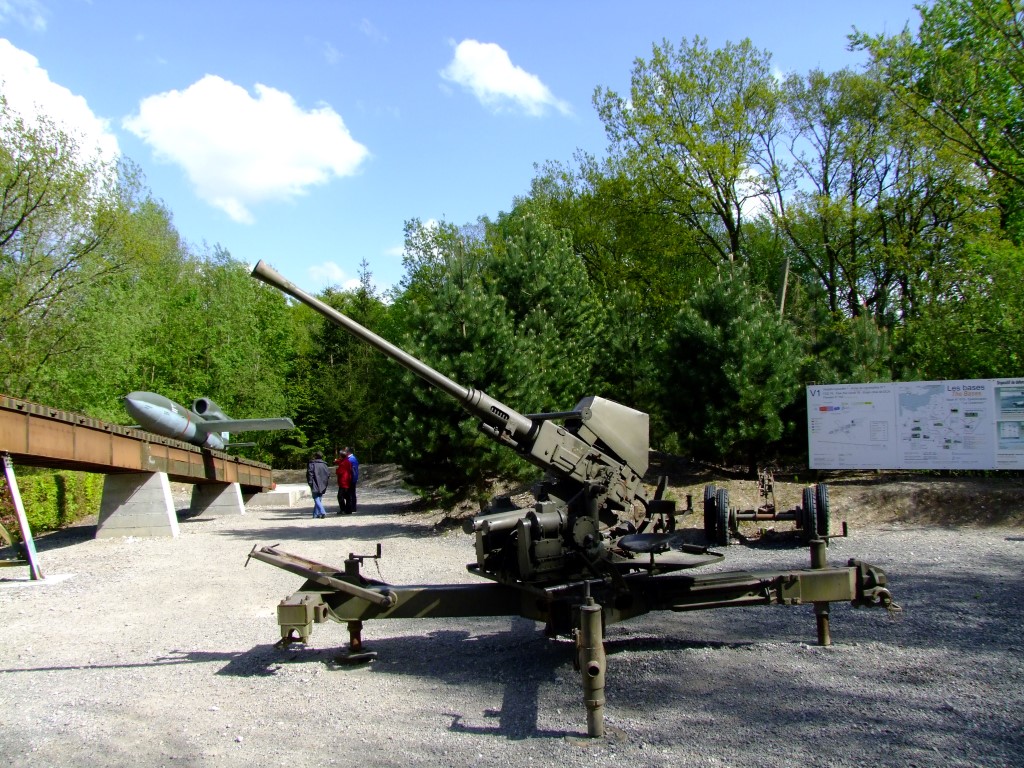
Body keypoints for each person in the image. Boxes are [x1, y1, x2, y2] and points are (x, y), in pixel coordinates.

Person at [306, 451, 330, 519]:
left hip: (315, 483)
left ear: (315, 456)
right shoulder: (324, 465)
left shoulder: (312, 464)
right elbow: (328, 474)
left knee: (316, 498)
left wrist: (310, 483)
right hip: (323, 483)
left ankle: (322, 512)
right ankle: (315, 515)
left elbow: (310, 474)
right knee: (319, 498)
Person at [334, 448, 353, 514]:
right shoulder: (347, 461)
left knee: (340, 496)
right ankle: (348, 510)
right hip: (347, 480)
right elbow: (339, 461)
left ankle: (343, 509)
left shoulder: (343, 463)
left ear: (341, 456)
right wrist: (336, 461)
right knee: (347, 496)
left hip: (343, 482)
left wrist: (337, 470)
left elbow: (339, 472)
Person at [345, 446, 359, 513]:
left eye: (345, 451)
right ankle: (352, 507)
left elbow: (353, 471)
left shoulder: (351, 459)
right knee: (351, 493)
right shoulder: (350, 458)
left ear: (348, 452)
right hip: (351, 478)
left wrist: (353, 479)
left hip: (351, 479)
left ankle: (352, 507)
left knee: (351, 493)